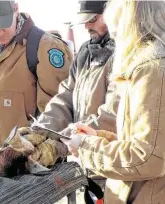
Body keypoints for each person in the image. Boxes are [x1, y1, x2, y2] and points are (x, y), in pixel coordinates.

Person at [62, 0, 165, 203]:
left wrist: (86, 147)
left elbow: (147, 158)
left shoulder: (153, 72)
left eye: (116, 32)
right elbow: (152, 143)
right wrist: (98, 137)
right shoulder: (159, 66)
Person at [0, 0, 72, 148]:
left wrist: (37, 150)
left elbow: (58, 108)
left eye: (4, 24)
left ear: (16, 9)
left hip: (32, 158)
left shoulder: (45, 47)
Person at [19, 0, 118, 167]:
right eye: (84, 21)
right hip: (86, 154)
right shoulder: (85, 52)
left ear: (114, 14)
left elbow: (114, 114)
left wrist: (62, 142)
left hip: (114, 157)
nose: (86, 26)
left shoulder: (126, 54)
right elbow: (66, 98)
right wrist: (42, 129)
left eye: (92, 19)